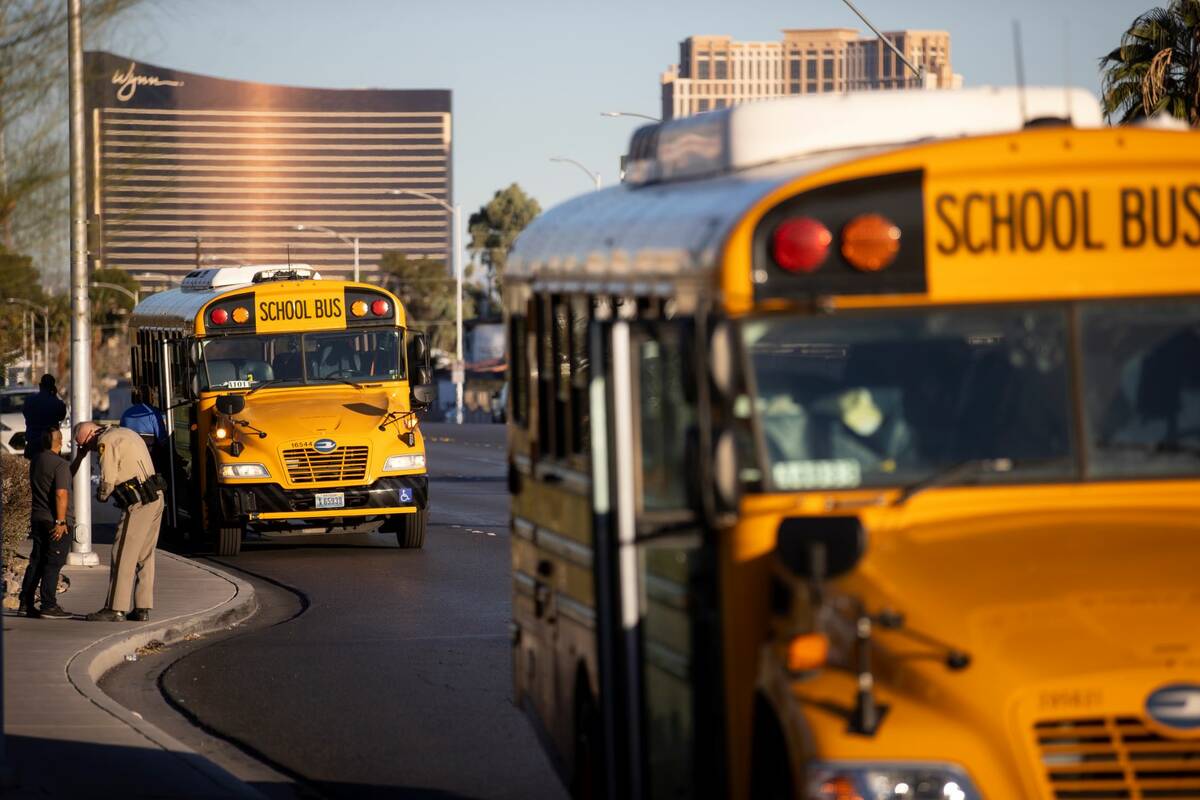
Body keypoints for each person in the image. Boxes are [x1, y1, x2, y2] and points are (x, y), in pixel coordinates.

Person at [73, 421, 166, 623]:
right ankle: (142, 608)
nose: (86, 449)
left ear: (90, 434)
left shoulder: (106, 441)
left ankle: (115, 608)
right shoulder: (126, 432)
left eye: (84, 445)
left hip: (139, 501)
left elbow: (107, 480)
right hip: (156, 496)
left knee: (122, 553)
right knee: (144, 555)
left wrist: (101, 496)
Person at [18, 429, 73, 619]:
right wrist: (61, 521)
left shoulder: (37, 461)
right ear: (60, 441)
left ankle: (25, 603)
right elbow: (61, 493)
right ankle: (49, 605)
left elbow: (61, 475)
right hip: (54, 521)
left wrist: (79, 457)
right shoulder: (60, 464)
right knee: (53, 563)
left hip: (38, 518)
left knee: (37, 562)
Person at [120, 385, 168, 474]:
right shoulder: (153, 413)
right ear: (151, 397)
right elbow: (162, 440)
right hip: (150, 458)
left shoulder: (125, 414)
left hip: (130, 457)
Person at [22, 373, 67, 460]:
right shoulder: (56, 403)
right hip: (50, 445)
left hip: (33, 443)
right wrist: (54, 395)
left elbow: (25, 413)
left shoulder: (29, 400)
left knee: (34, 471)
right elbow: (62, 416)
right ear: (53, 387)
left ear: (40, 385)